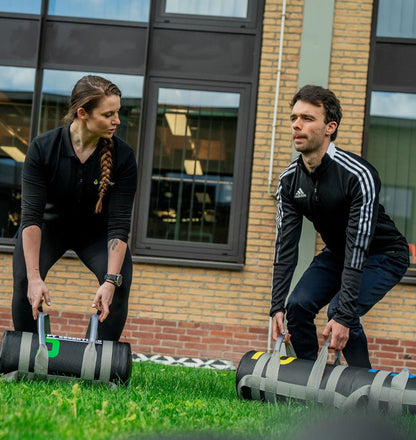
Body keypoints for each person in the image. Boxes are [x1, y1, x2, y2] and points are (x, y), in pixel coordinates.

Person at [270, 85, 409, 368]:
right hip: (338, 253)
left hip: (384, 255)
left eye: (308, 118)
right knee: (297, 306)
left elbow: (359, 246)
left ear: (330, 127)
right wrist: (276, 306)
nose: (297, 124)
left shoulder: (359, 175)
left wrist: (344, 316)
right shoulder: (288, 182)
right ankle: (311, 381)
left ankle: (365, 387)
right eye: (294, 117)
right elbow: (286, 247)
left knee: (340, 310)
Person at [12, 75, 138, 341]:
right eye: (109, 114)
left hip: (97, 235)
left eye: (118, 113)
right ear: (82, 113)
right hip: (49, 228)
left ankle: (98, 363)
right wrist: (34, 278)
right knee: (25, 278)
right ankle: (30, 356)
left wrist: (110, 280)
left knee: (119, 282)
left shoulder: (123, 157)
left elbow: (119, 226)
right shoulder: (42, 148)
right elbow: (31, 218)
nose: (117, 121)